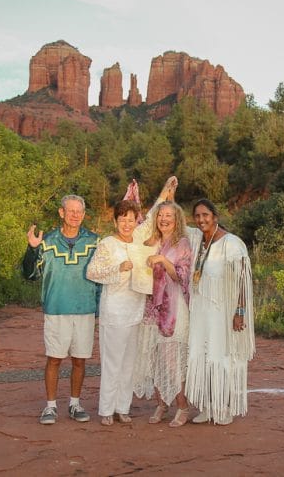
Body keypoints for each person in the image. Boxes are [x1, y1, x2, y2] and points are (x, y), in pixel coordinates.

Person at [85, 179, 176, 426]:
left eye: (131, 219)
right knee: (112, 362)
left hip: (135, 310)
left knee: (128, 363)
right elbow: (92, 272)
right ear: (115, 221)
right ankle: (106, 410)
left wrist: (166, 193)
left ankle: (122, 408)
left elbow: (153, 220)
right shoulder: (107, 244)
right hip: (114, 311)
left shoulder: (138, 239)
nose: (127, 223)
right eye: (122, 219)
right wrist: (118, 268)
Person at [22, 194, 101, 425]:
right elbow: (28, 274)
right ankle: (50, 407)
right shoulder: (46, 241)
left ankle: (75, 404)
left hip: (85, 308)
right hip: (56, 308)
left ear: (84, 215)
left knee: (80, 360)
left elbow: (104, 277)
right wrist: (31, 249)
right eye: (71, 210)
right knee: (54, 359)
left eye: (80, 211)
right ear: (61, 212)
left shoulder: (95, 241)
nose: (75, 215)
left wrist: (100, 307)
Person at [185, 198, 255, 425]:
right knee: (202, 356)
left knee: (221, 357)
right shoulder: (197, 241)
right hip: (200, 311)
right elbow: (169, 221)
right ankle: (206, 407)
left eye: (205, 215)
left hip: (222, 312)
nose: (201, 219)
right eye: (197, 216)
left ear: (215, 216)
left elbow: (243, 281)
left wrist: (240, 311)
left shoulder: (232, 244)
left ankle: (223, 407)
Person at [133, 200, 193, 427]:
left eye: (169, 215)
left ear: (177, 219)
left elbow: (181, 277)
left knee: (173, 360)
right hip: (152, 307)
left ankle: (182, 406)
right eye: (161, 215)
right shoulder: (152, 241)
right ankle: (161, 404)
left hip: (174, 308)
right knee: (153, 356)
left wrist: (163, 260)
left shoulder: (182, 243)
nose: (164, 219)